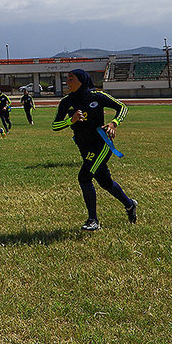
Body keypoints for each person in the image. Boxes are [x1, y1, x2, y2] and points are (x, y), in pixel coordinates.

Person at [52, 69, 137, 231]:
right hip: (83, 145)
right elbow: (55, 126)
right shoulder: (66, 101)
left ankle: (93, 220)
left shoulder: (97, 96)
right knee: (105, 182)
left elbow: (122, 107)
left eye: (71, 79)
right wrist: (71, 120)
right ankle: (129, 204)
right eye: (67, 79)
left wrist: (114, 123)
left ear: (82, 81)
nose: (67, 82)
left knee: (84, 177)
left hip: (101, 144)